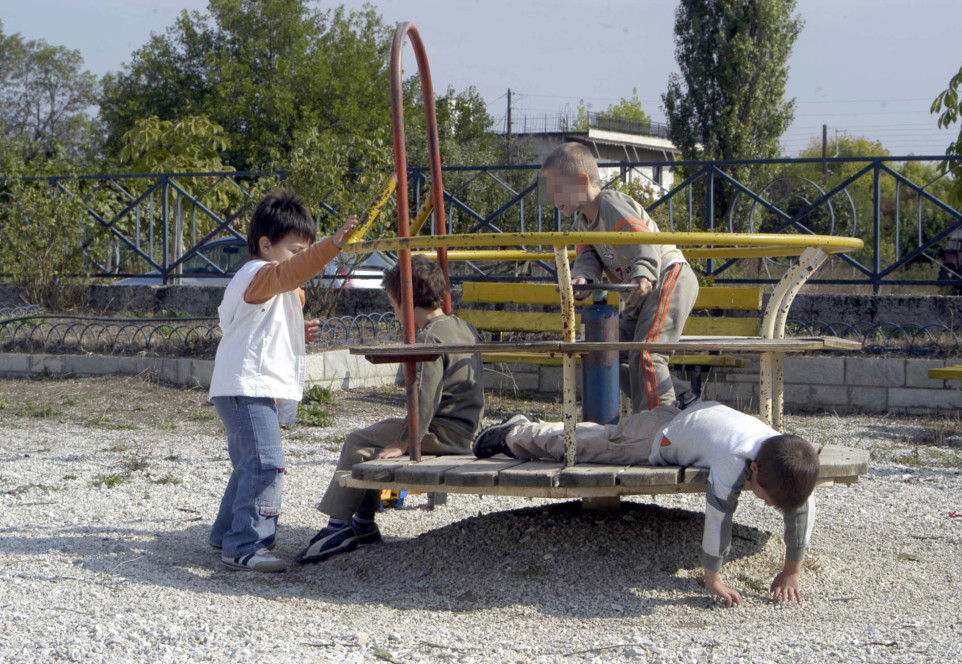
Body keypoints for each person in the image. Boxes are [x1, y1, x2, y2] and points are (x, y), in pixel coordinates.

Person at [472, 401, 820, 607]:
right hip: (655, 436)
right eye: (768, 500)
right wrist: (712, 578)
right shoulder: (735, 458)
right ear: (755, 469)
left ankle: (532, 430)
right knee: (579, 447)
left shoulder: (785, 453)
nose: (770, 506)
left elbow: (802, 506)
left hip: (684, 418)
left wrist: (792, 571)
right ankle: (515, 433)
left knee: (599, 437)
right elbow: (718, 517)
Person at [297, 255, 485, 564]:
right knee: (367, 452)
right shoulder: (462, 327)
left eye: (393, 304)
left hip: (440, 434)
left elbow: (425, 396)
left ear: (405, 300)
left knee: (357, 439)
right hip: (464, 430)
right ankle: (363, 523)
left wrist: (404, 442)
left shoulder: (429, 338)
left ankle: (337, 528)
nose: (395, 313)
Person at [208, 189, 358, 573]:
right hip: (247, 387)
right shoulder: (258, 273)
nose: (300, 259)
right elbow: (291, 272)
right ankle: (246, 544)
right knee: (266, 464)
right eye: (295, 249)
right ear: (265, 245)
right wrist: (330, 247)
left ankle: (226, 533)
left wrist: (296, 329)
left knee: (249, 463)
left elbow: (261, 325)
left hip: (246, 387)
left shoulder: (266, 285)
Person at [539, 142, 700, 411]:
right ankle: (682, 399)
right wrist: (583, 280)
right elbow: (588, 258)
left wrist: (645, 273)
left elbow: (644, 240)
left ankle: (662, 425)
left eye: (556, 189)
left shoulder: (611, 203)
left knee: (648, 354)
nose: (552, 198)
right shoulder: (582, 222)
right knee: (609, 353)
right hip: (639, 294)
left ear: (581, 182)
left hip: (667, 277)